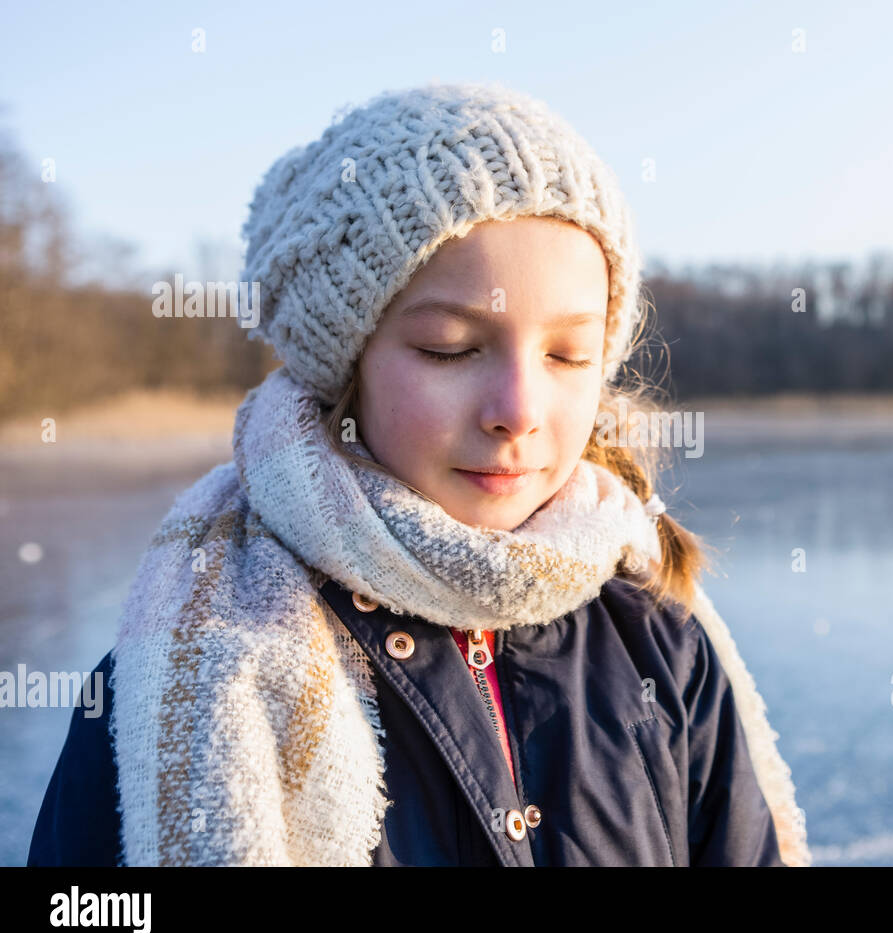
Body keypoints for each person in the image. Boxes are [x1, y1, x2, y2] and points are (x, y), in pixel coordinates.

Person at [28, 82, 810, 867]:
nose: (518, 410)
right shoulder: (188, 673)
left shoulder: (660, 643)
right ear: (346, 367)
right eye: (449, 348)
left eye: (567, 355)